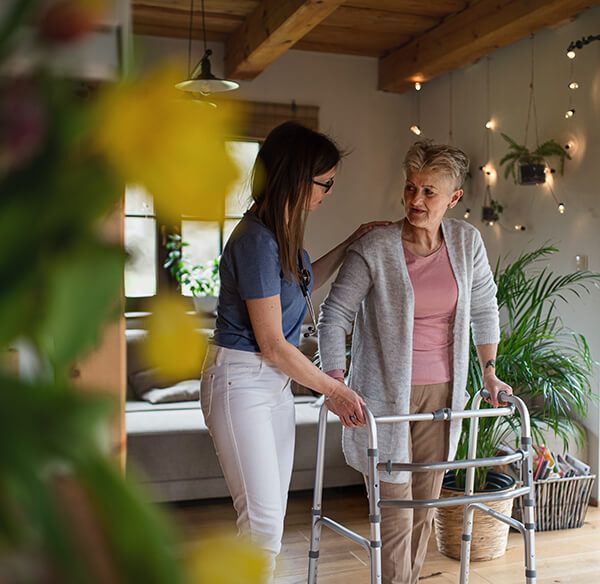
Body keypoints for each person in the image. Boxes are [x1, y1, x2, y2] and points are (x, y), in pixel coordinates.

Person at [200, 121, 389, 580]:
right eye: (325, 184)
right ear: (298, 177)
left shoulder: (280, 236)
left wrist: (351, 242)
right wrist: (333, 389)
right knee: (262, 526)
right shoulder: (256, 241)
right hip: (241, 380)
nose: (328, 194)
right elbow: (272, 344)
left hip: (272, 386)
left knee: (270, 524)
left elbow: (304, 286)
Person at [317, 140, 512, 584]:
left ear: (454, 198)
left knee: (423, 508)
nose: (415, 201)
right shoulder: (377, 246)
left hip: (445, 393)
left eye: (429, 192)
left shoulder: (466, 242)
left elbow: (483, 306)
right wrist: (334, 381)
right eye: (410, 188)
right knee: (393, 511)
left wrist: (490, 373)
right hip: (385, 397)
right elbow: (335, 313)